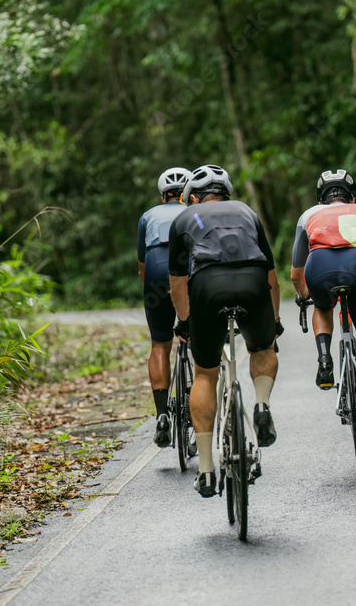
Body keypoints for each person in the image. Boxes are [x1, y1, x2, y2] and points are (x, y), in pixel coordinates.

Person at [167, 164, 282, 497]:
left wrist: (186, 321)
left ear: (192, 197)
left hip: (208, 284)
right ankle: (261, 405)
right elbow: (271, 276)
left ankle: (205, 469)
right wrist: (273, 323)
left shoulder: (184, 219)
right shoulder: (248, 212)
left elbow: (177, 285)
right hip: (252, 281)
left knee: (204, 374)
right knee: (263, 350)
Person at [290, 169, 356, 453]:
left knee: (322, 306)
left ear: (320, 200)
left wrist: (303, 297)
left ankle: (324, 360)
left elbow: (296, 274)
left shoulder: (308, 216)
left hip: (319, 267)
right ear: (353, 197)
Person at [136, 167, 190, 447]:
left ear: (162, 196)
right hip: (187, 267)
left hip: (156, 271)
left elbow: (142, 268)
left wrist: (154, 294)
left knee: (159, 344)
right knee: (195, 329)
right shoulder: (195, 212)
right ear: (189, 194)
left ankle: (161, 415)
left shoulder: (148, 216)